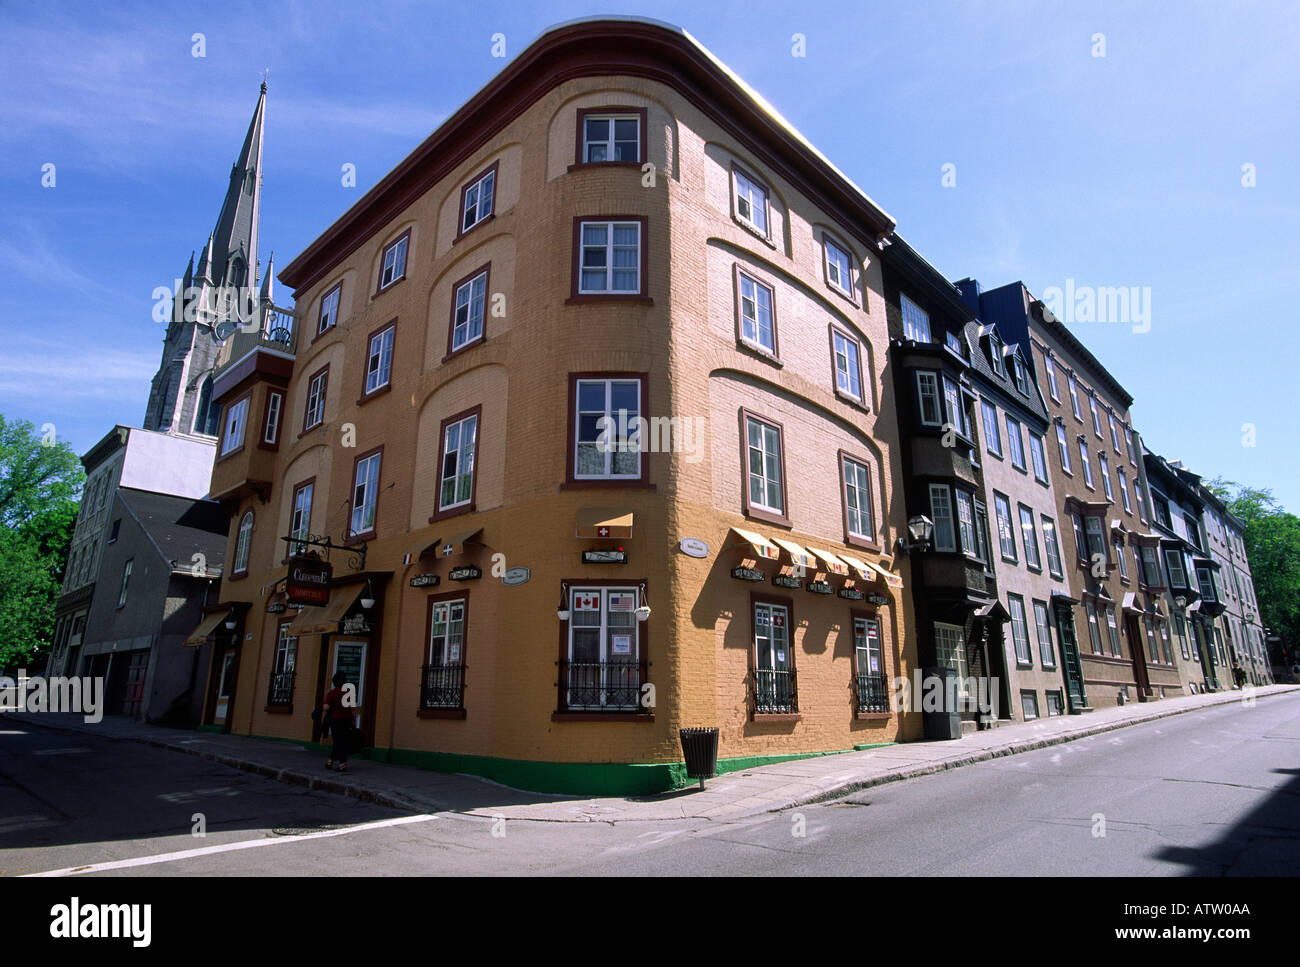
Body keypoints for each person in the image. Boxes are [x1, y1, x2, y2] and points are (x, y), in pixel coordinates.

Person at [322, 672, 355, 772]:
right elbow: (352, 708)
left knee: (338, 741)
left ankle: (342, 764)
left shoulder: (333, 693)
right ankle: (330, 761)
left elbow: (326, 707)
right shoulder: (349, 693)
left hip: (336, 720)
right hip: (347, 720)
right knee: (342, 741)